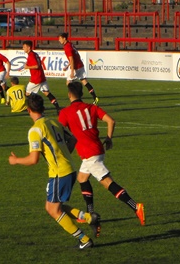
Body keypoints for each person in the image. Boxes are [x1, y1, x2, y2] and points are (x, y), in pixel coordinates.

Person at [7, 93, 99, 249]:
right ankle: (89, 217)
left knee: (53, 210)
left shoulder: (35, 130)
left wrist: (16, 161)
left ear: (28, 110)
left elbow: (33, 159)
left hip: (59, 173)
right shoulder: (54, 122)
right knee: (54, 207)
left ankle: (84, 240)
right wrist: (63, 153)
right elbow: (73, 139)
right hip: (69, 169)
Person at [59, 82, 146, 235]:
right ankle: (89, 212)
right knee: (82, 178)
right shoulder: (92, 108)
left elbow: (60, 131)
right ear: (81, 94)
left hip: (89, 153)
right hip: (97, 149)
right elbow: (111, 121)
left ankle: (135, 206)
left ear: (69, 94)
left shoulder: (66, 112)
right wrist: (109, 138)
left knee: (107, 183)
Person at [20, 40, 60, 112]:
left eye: (24, 47)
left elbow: (36, 66)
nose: (23, 48)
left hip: (36, 78)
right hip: (41, 77)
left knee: (27, 94)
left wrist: (27, 67)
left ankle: (34, 107)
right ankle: (57, 107)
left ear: (29, 47)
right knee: (47, 92)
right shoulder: (34, 54)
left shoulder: (31, 55)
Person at [59, 33, 99, 104]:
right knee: (84, 81)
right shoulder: (70, 44)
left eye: (60, 38)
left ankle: (75, 97)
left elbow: (72, 59)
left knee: (68, 83)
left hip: (75, 67)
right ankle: (95, 98)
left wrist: (71, 71)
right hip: (80, 65)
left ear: (64, 38)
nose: (59, 40)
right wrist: (67, 66)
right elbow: (73, 57)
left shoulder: (67, 47)